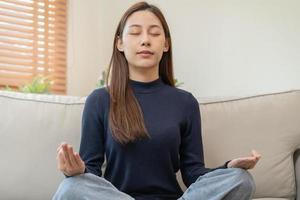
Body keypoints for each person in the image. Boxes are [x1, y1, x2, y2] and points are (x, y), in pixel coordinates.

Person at [53, 2, 261, 200]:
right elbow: (91, 173)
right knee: (71, 187)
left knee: (241, 179)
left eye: (154, 33)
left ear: (166, 44)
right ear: (120, 43)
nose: (145, 40)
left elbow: (193, 173)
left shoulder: (185, 103)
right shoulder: (99, 100)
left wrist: (227, 168)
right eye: (135, 33)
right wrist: (77, 171)